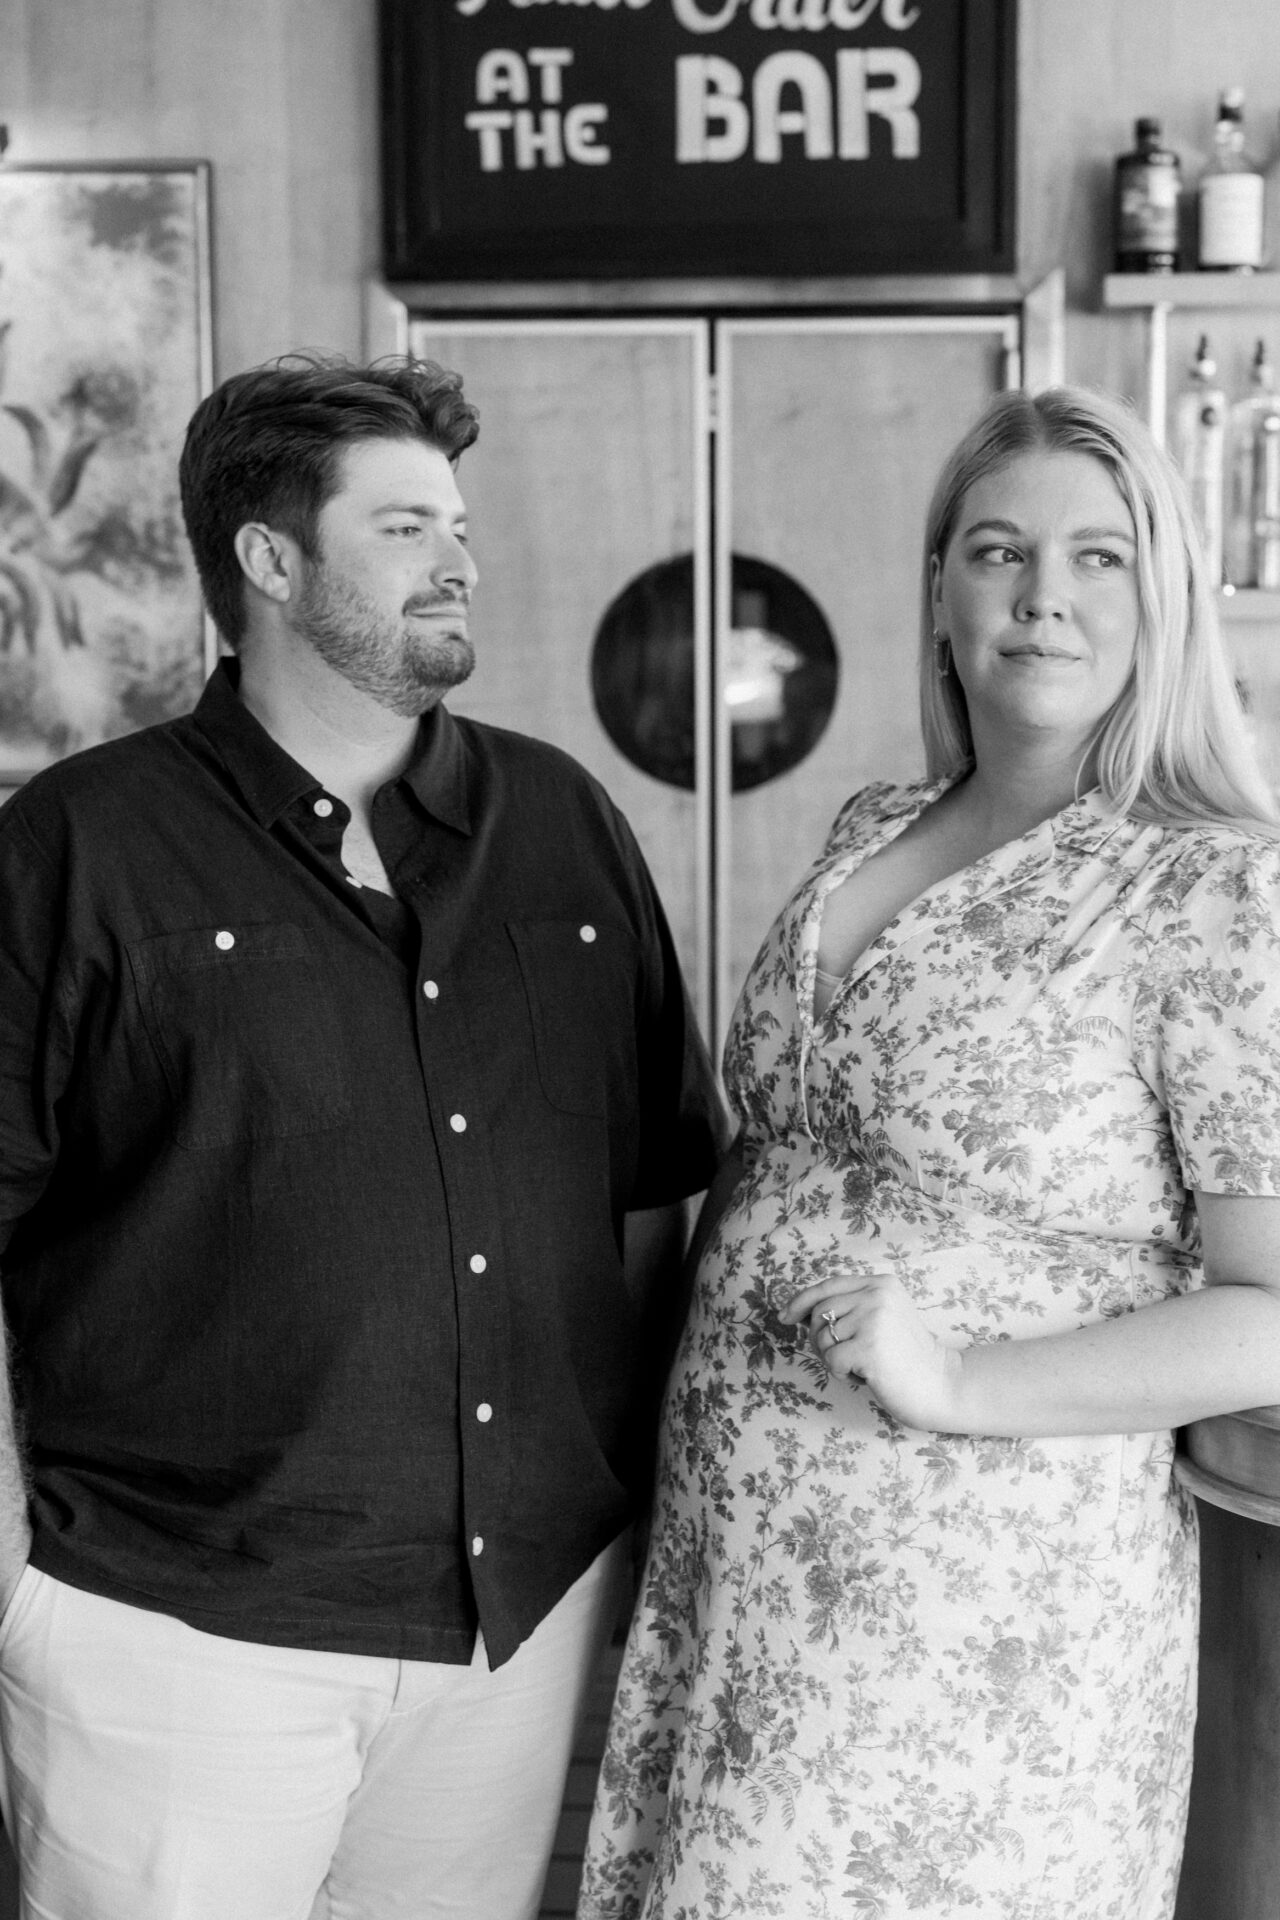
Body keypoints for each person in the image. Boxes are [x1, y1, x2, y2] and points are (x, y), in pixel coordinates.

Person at [0, 353, 726, 1920]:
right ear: (269, 561)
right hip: (173, 1638)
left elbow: (652, 1193)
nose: (459, 559)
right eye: (404, 528)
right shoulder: (78, 844)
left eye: (457, 524)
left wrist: (606, 1493)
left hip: (509, 1635)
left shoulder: (565, 824)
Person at [578, 384, 1280, 1920]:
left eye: (1099, 556)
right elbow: (777, 1157)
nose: (1042, 596)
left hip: (968, 1599)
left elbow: (1271, 1313)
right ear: (940, 590)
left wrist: (958, 1381)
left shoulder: (1216, 891)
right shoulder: (873, 822)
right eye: (998, 550)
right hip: (741, 1547)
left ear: (1164, 595)